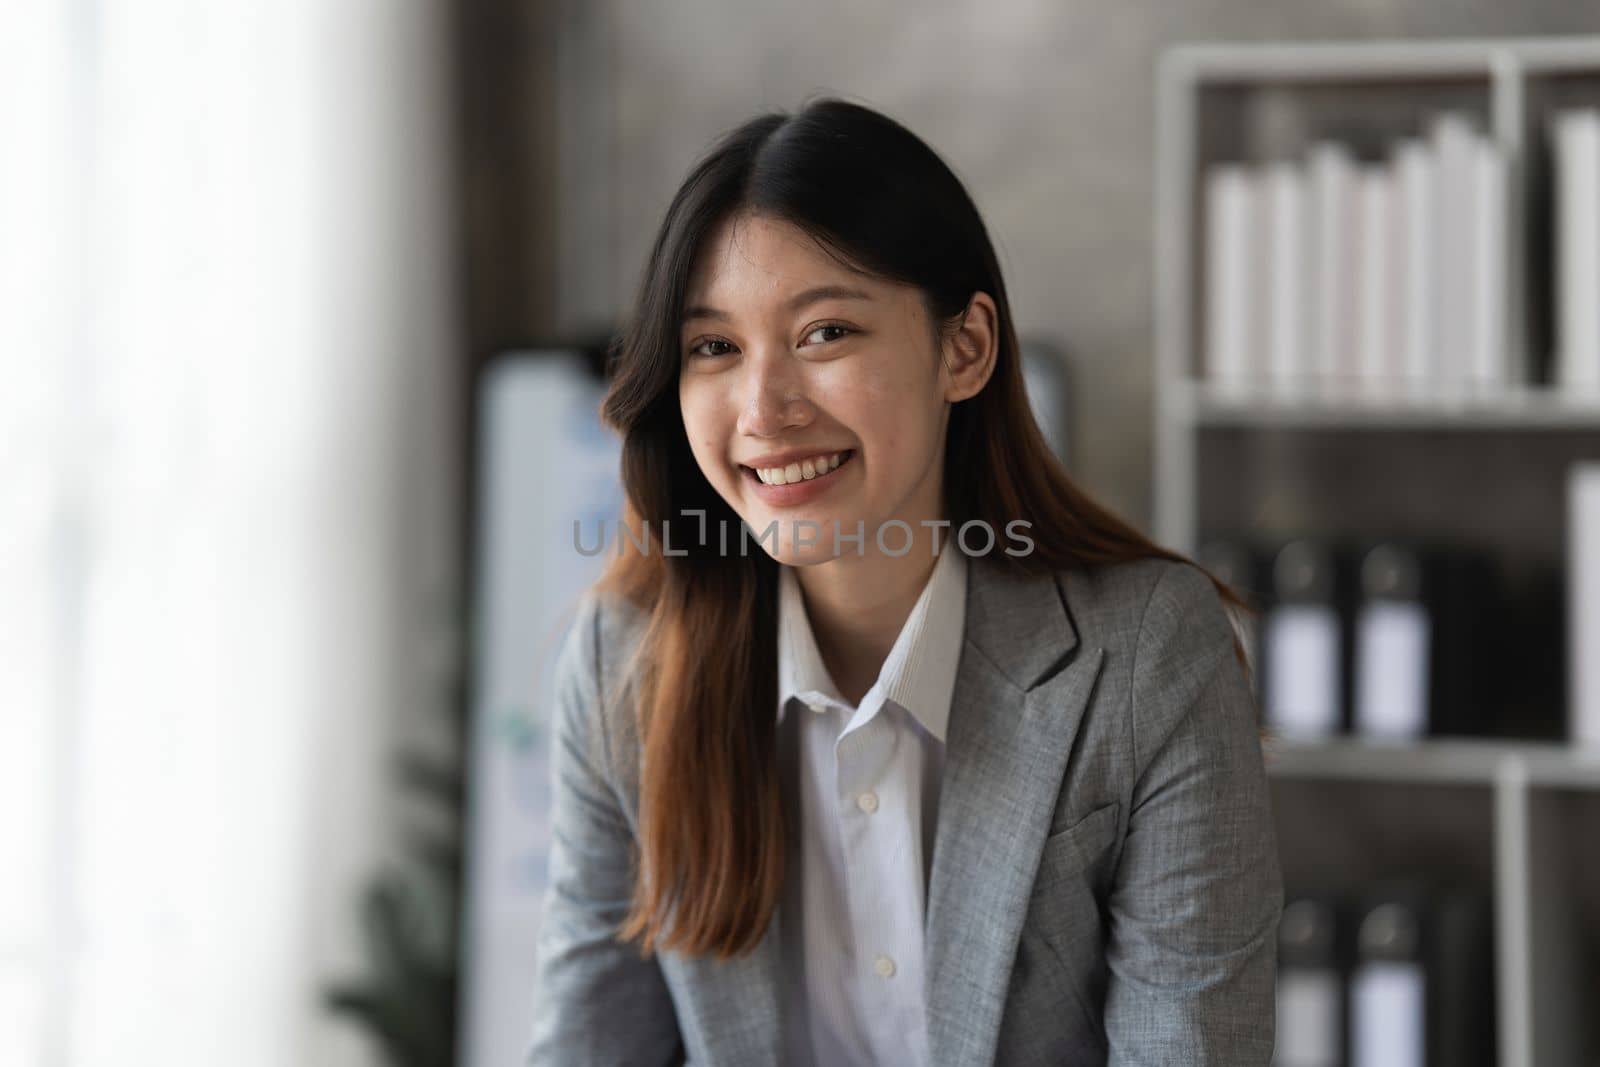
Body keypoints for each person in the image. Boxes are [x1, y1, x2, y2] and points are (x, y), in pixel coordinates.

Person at [526, 97, 1282, 1066]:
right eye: (713, 346)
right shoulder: (624, 662)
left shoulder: (1140, 653)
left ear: (962, 348)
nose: (765, 407)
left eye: (825, 332)